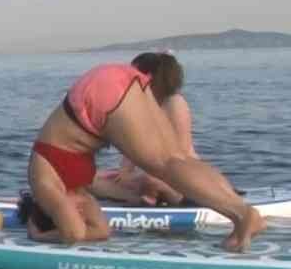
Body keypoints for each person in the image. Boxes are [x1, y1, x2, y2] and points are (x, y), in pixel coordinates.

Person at [21, 53, 263, 251]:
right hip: (109, 83)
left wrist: (38, 236)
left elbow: (73, 233)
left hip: (99, 94)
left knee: (165, 164)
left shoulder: (44, 184)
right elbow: (101, 231)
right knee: (179, 159)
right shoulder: (77, 187)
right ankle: (240, 210)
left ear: (47, 209)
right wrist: (131, 197)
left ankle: (242, 215)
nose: (76, 211)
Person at [90, 80, 197, 206]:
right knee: (90, 179)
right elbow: (132, 147)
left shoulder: (174, 102)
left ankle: (176, 199)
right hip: (151, 175)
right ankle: (137, 199)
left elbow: (181, 156)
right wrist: (124, 173)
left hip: (179, 179)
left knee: (149, 181)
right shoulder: (142, 106)